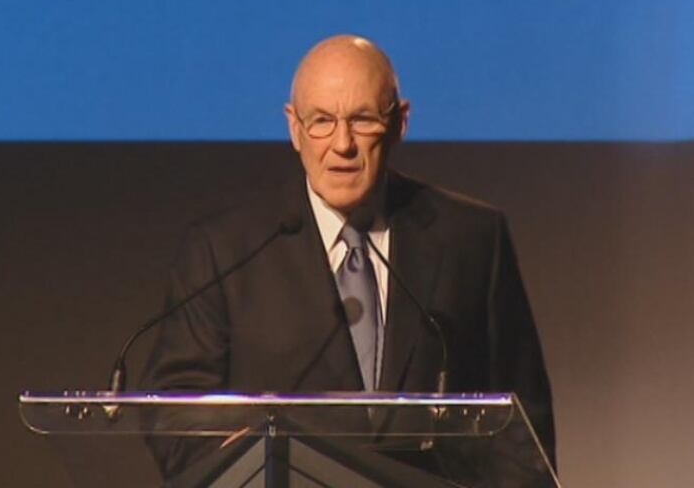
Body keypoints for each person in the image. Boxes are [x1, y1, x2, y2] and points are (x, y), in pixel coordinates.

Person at [141, 34, 555, 483]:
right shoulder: (224, 250)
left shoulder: (472, 238)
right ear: (293, 128)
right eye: (321, 120)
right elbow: (174, 418)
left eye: (362, 120)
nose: (342, 144)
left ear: (400, 122)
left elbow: (522, 423)